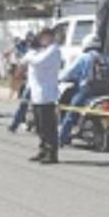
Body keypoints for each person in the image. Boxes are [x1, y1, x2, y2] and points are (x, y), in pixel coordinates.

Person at [58, 34, 109, 146]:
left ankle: (61, 139)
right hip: (106, 92)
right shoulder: (106, 58)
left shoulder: (84, 57)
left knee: (71, 113)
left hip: (87, 91)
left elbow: (69, 72)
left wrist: (60, 78)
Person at [22, 27, 63, 164]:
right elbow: (24, 60)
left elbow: (38, 62)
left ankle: (52, 153)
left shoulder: (53, 50)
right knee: (39, 126)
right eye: (41, 37)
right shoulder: (41, 51)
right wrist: (31, 53)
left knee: (48, 126)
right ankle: (43, 149)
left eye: (45, 37)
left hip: (47, 94)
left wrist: (31, 54)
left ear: (50, 37)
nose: (42, 39)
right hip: (37, 94)